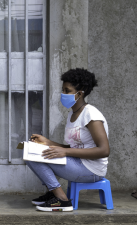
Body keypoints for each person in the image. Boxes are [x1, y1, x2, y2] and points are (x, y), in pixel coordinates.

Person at [27, 68, 109, 212]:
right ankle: (53, 193)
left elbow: (104, 150)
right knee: (33, 150)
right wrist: (48, 142)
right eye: (63, 90)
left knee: (33, 157)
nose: (63, 94)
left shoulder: (91, 115)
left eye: (67, 90)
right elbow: (74, 147)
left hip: (91, 170)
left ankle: (62, 200)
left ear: (80, 92)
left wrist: (64, 152)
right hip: (79, 163)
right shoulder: (73, 114)